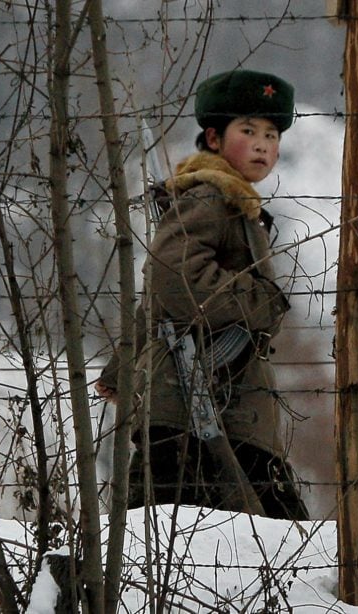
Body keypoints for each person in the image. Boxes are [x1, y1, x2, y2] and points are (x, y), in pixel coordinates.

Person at [96, 69, 308, 520]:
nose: (262, 145)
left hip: (218, 400)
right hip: (195, 402)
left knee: (190, 531)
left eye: (271, 134)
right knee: (271, 537)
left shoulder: (233, 202)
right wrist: (260, 301)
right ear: (213, 138)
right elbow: (172, 277)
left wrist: (122, 368)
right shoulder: (211, 197)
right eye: (247, 131)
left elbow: (160, 293)